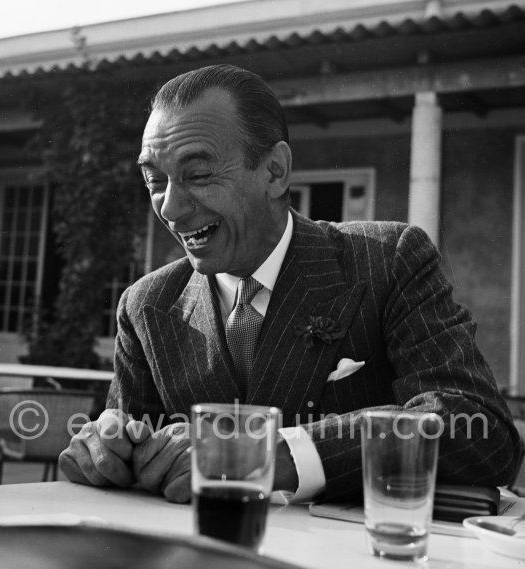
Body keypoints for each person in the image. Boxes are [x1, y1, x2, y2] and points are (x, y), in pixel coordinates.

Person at [59, 64, 521, 504]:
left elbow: (480, 431)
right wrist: (105, 454)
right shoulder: (145, 306)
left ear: (275, 171)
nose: (171, 208)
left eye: (198, 175)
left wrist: (268, 455)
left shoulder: (390, 261)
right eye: (155, 180)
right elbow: (134, 461)